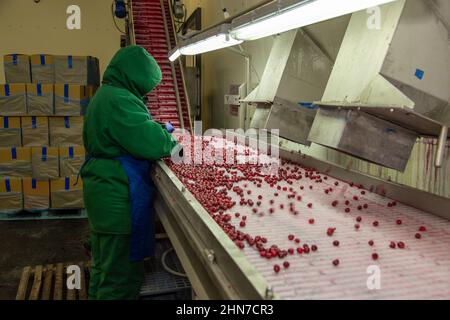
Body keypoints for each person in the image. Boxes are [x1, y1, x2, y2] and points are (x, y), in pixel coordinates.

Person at [81, 45, 178, 300]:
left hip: (102, 192)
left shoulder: (109, 94)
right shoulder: (119, 99)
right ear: (136, 77)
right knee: (120, 279)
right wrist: (175, 145)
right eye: (148, 84)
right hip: (116, 197)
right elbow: (150, 142)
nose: (150, 90)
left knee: (103, 268)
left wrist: (156, 126)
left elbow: (132, 128)